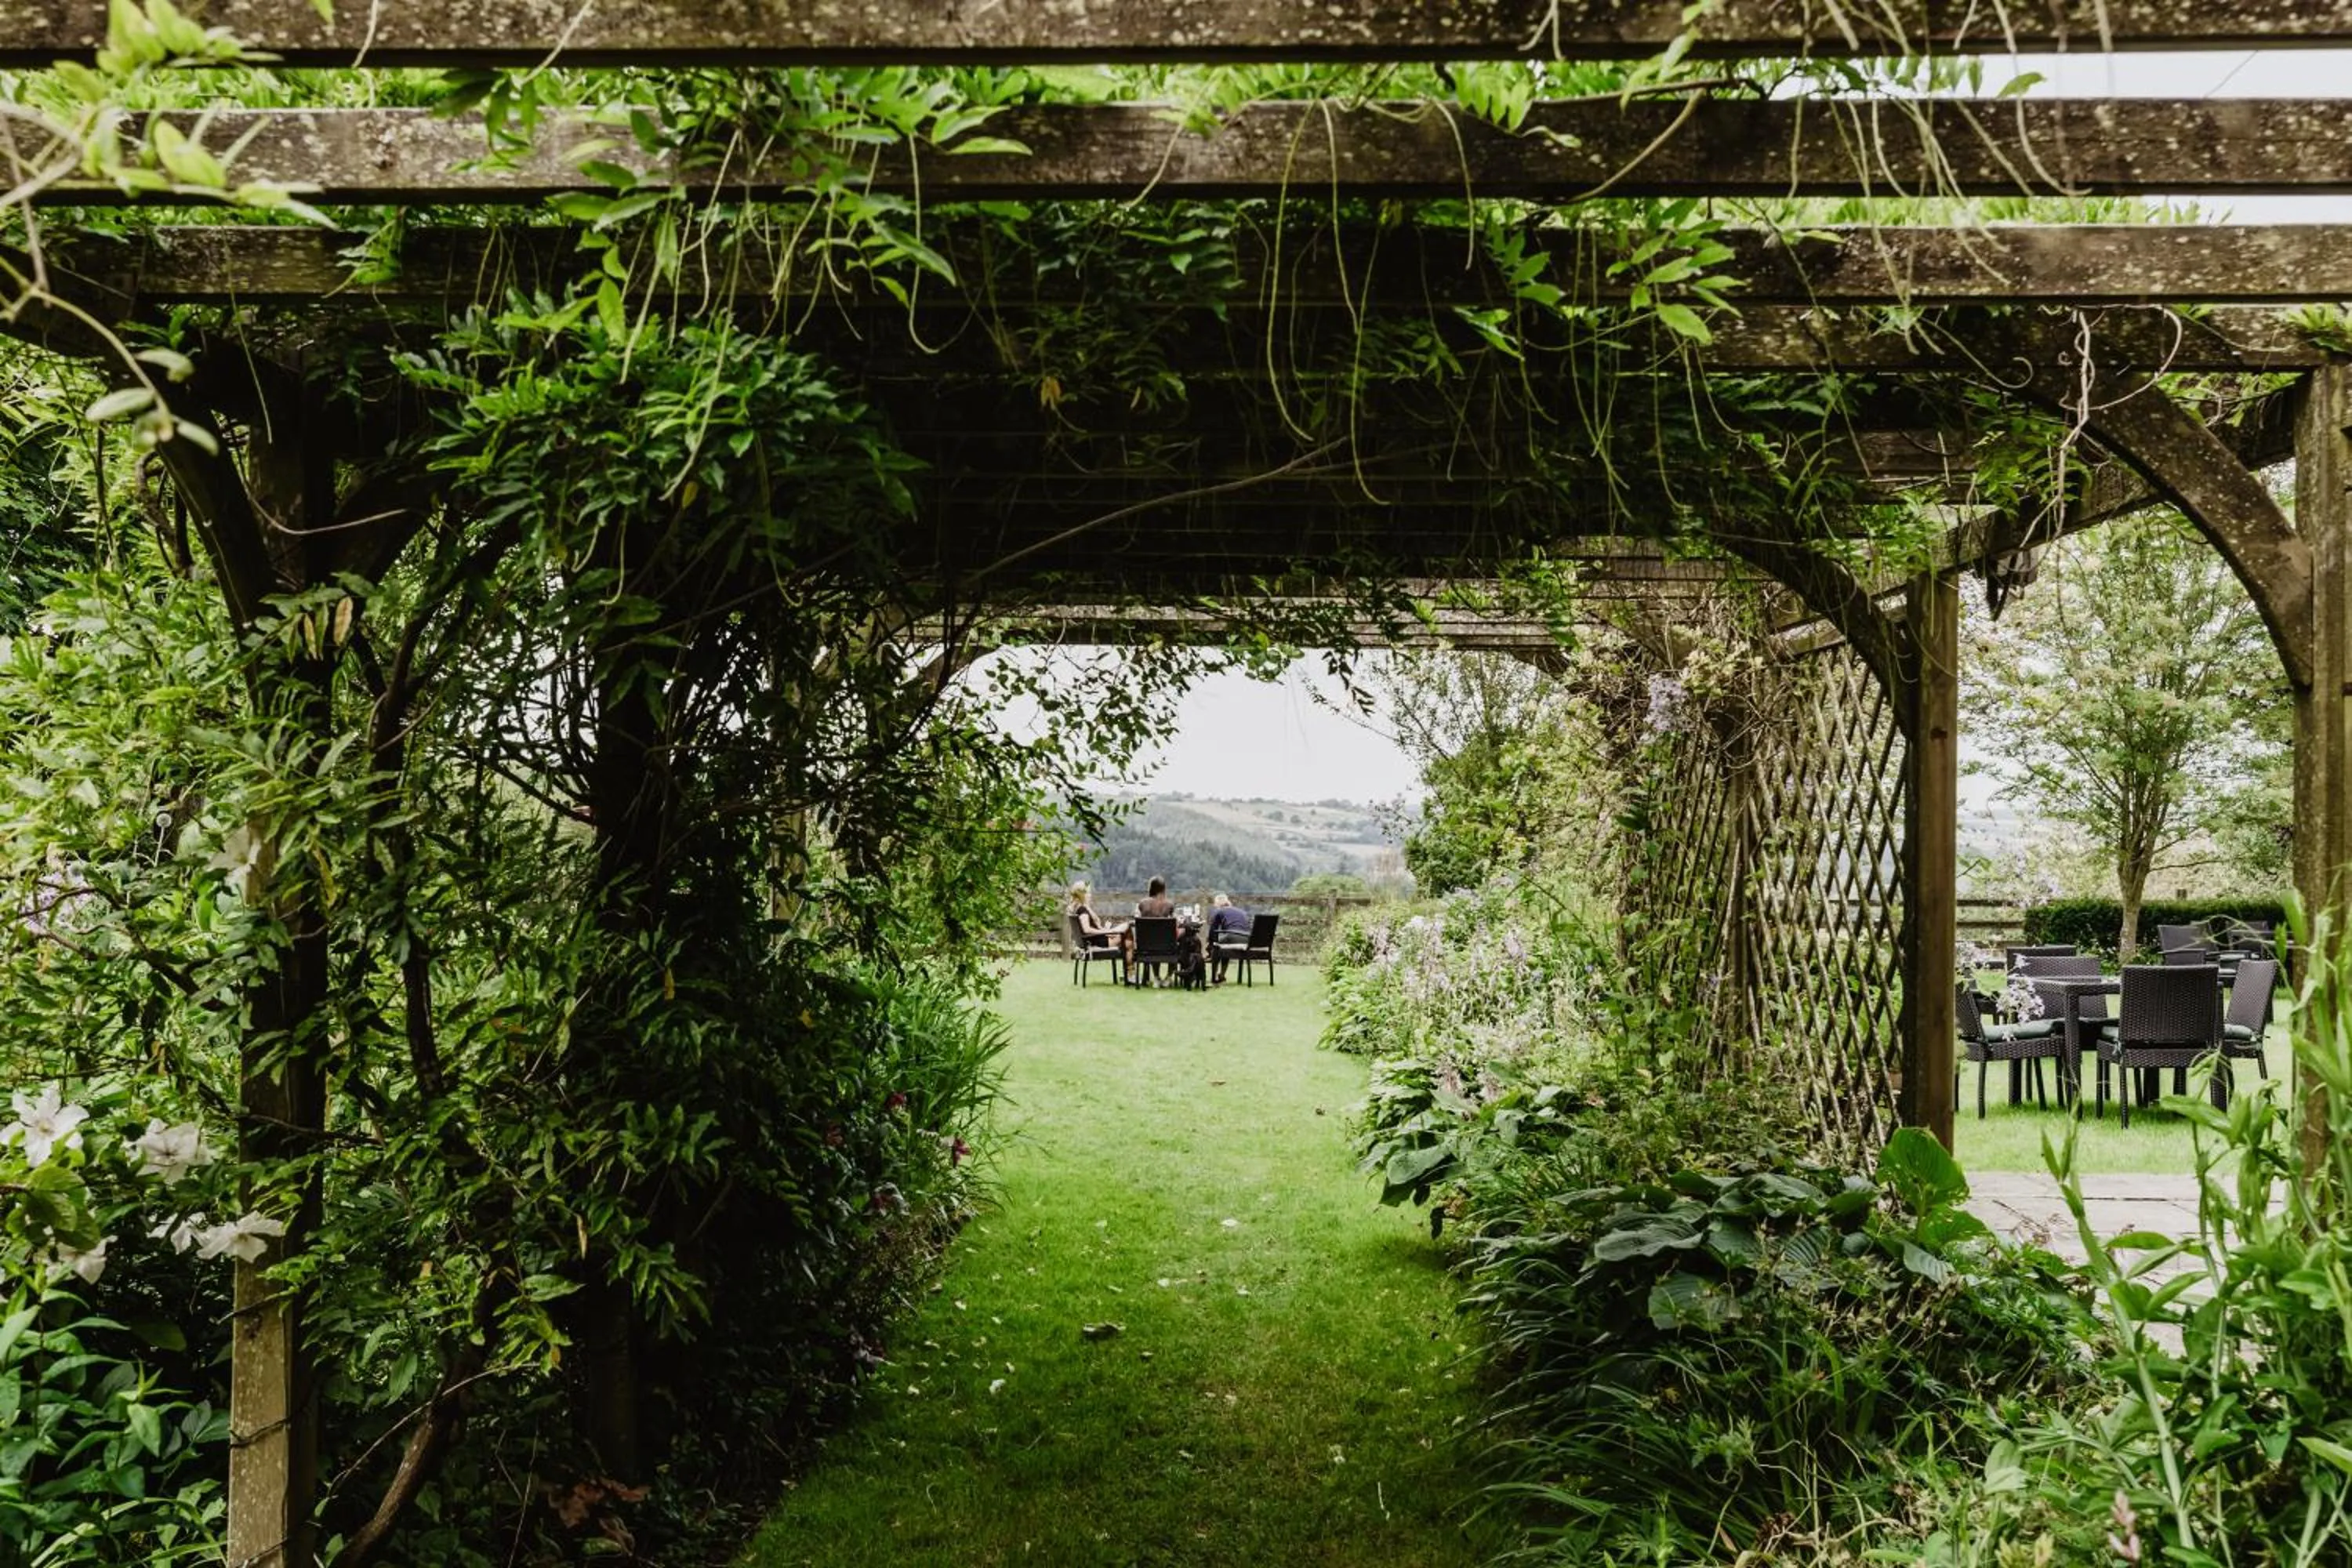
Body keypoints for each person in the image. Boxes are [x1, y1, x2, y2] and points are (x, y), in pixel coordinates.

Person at [1207, 892, 1251, 985]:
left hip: (1232, 937)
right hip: (1247, 939)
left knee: (1217, 947)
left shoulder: (1219, 911)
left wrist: (1211, 944)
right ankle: (1222, 975)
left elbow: (1213, 931)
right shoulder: (1242, 912)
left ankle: (1214, 977)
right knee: (1223, 946)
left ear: (1218, 905)